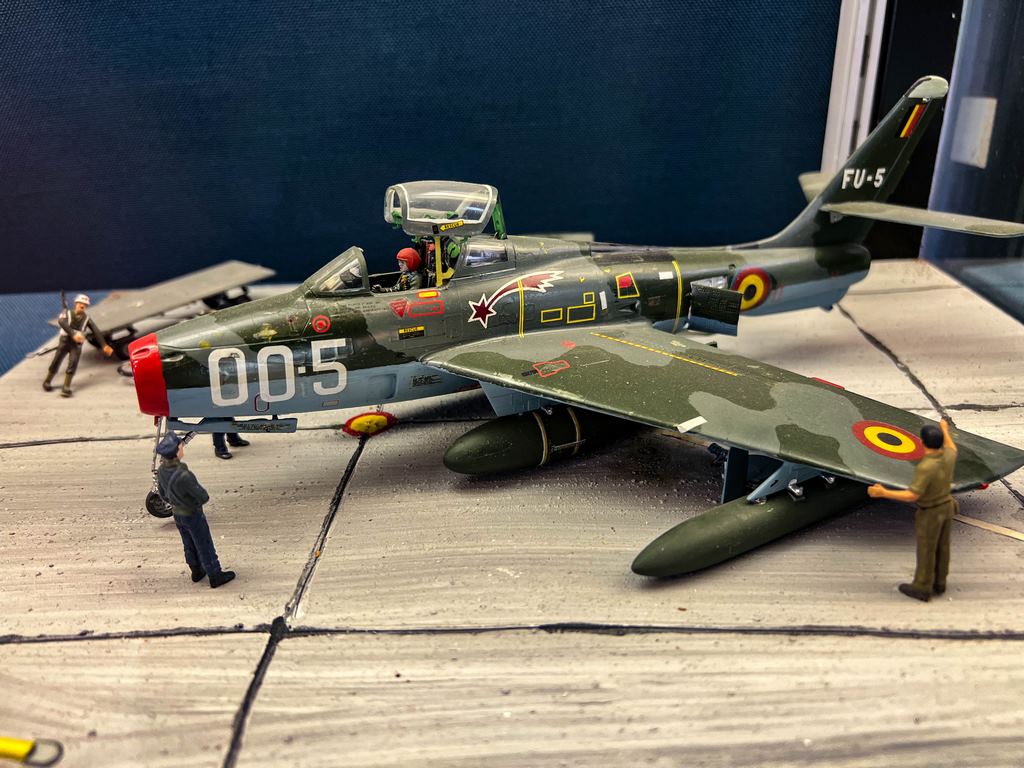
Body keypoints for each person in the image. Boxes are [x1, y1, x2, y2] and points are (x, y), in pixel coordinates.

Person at [868, 419, 958, 602]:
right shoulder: (948, 457)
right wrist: (944, 430)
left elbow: (912, 495)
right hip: (947, 507)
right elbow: (952, 447)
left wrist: (883, 492)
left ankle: (922, 587)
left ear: (922, 442)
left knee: (926, 549)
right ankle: (940, 582)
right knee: (943, 547)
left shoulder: (926, 467)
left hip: (931, 512)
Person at [155, 432, 236, 588]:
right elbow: (203, 496)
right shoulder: (184, 475)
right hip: (192, 513)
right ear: (176, 452)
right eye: (180, 447)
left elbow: (163, 495)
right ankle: (214, 574)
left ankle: (196, 570)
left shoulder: (161, 471)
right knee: (204, 543)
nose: (182, 448)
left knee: (188, 543)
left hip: (177, 514)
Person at [43, 293, 114, 396]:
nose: (82, 305)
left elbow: (96, 331)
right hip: (64, 342)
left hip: (76, 345)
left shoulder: (87, 319)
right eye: (80, 303)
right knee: (56, 361)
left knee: (73, 363)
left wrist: (104, 345)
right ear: (76, 303)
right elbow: (62, 322)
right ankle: (47, 381)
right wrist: (73, 334)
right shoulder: (67, 313)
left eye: (84, 304)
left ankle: (66, 387)